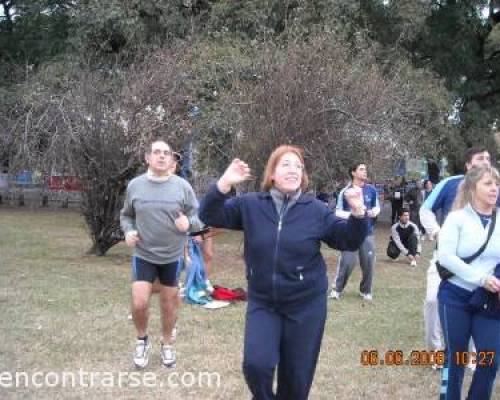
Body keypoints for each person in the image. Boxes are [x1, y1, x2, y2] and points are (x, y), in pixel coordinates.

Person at [199, 145, 368, 400]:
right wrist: (224, 183)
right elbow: (209, 214)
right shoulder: (251, 205)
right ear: (272, 174)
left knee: (296, 380)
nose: (293, 170)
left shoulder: (316, 210)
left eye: (298, 166)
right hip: (264, 302)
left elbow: (349, 240)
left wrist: (358, 213)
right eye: (286, 164)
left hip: (306, 306)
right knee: (256, 365)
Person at [120, 139, 203, 369]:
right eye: (157, 152)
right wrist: (128, 231)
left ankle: (167, 344)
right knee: (139, 303)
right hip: (143, 253)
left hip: (172, 257)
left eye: (166, 153)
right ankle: (142, 340)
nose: (162, 156)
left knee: (168, 305)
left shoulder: (182, 187)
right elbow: (126, 215)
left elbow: (198, 220)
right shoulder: (135, 185)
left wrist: (188, 222)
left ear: (171, 159)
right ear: (147, 158)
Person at [419, 147, 493, 356]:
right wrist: (437, 231)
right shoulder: (449, 184)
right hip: (444, 259)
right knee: (433, 300)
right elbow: (425, 210)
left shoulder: (494, 188)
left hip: (480, 264)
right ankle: (435, 351)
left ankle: (467, 353)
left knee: (474, 305)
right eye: (480, 158)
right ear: (468, 165)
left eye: (488, 158)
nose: (486, 162)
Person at [437, 165, 500, 399]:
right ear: (473, 188)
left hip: (489, 301)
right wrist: (481, 278)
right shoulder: (456, 218)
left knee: (490, 359)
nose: (494, 188)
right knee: (456, 359)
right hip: (455, 297)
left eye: (496, 183)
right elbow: (446, 257)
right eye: (488, 183)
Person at [330, 162, 380, 301]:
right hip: (350, 234)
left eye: (365, 169)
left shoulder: (372, 190)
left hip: (367, 233)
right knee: (347, 262)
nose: (365, 171)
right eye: (361, 169)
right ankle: (336, 290)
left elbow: (377, 208)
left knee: (368, 262)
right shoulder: (345, 191)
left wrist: (372, 212)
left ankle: (366, 291)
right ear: (353, 172)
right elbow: (338, 212)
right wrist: (354, 215)